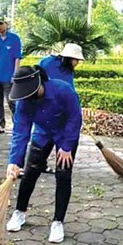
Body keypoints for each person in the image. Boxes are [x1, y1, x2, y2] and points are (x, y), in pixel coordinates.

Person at [5, 66, 82, 243]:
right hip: (42, 134)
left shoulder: (63, 90)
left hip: (65, 135)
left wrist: (67, 146)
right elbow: (20, 132)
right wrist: (14, 161)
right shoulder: (24, 101)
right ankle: (19, 212)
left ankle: (58, 222)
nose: (26, 97)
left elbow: (74, 118)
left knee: (63, 175)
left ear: (39, 84)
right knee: (30, 172)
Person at [38, 43, 85, 173]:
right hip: (47, 107)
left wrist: (75, 112)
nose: (77, 63)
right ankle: (38, 164)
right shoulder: (46, 63)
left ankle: (43, 163)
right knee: (46, 138)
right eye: (76, 60)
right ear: (69, 58)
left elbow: (70, 91)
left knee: (52, 138)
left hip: (61, 110)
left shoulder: (67, 70)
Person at [0, 18, 22, 134]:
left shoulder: (14, 39)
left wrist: (15, 74)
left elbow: (17, 57)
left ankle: (17, 125)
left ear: (6, 25)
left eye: (1, 24)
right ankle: (1, 125)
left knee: (11, 101)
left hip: (8, 76)